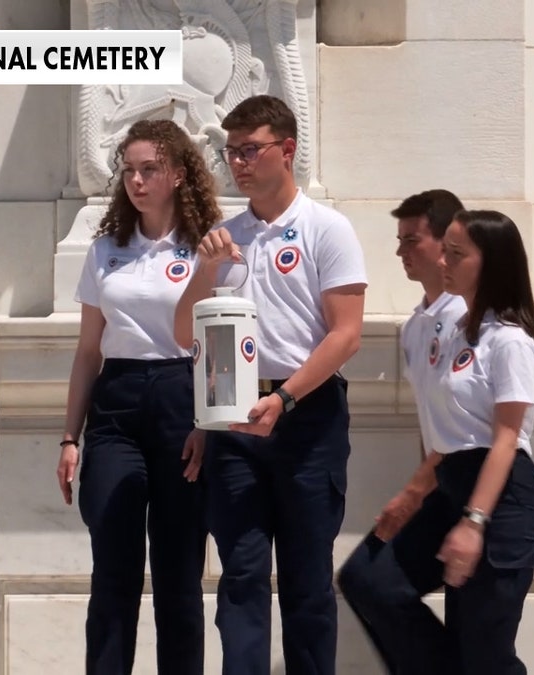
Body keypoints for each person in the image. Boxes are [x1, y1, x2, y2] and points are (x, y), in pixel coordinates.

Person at [173, 94, 368, 675]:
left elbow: (346, 335)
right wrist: (205, 270)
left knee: (308, 582)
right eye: (230, 152)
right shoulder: (222, 236)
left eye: (250, 150)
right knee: (240, 577)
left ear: (286, 151)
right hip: (234, 418)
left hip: (305, 414)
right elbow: (186, 333)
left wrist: (283, 398)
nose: (237, 162)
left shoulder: (326, 229)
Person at [337, 209, 534, 675]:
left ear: (489, 264)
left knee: (484, 654)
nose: (444, 261)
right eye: (445, 249)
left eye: (457, 253)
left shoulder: (510, 340)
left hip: (502, 496)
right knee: (370, 580)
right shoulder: (452, 332)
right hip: (450, 483)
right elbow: (450, 432)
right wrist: (415, 493)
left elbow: (506, 438)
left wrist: (474, 522)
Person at [56, 118, 223, 675]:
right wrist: (69, 436)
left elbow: (220, 339)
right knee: (113, 568)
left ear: (177, 173)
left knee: (178, 573)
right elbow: (87, 351)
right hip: (117, 403)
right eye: (128, 170)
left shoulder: (208, 247)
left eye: (149, 169)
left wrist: (208, 421)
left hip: (183, 396)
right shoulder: (106, 249)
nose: (137, 180)